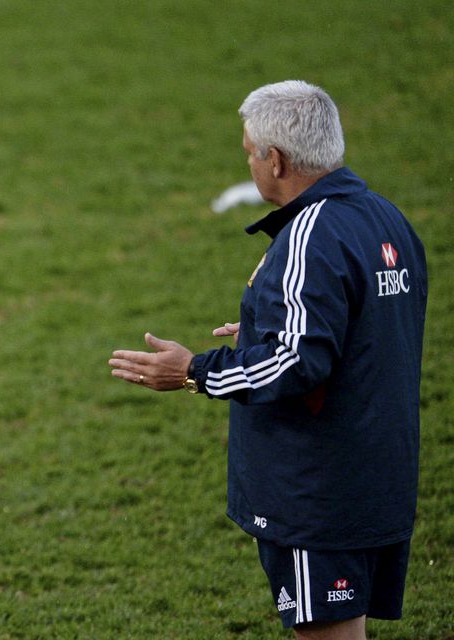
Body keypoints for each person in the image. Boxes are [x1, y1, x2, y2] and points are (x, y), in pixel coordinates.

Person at [108, 80, 427, 640]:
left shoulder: (311, 232)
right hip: (379, 477)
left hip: (318, 493)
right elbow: (368, 332)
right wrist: (266, 325)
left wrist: (191, 371)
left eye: (249, 152)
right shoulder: (386, 219)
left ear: (274, 160)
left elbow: (295, 362)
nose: (250, 162)